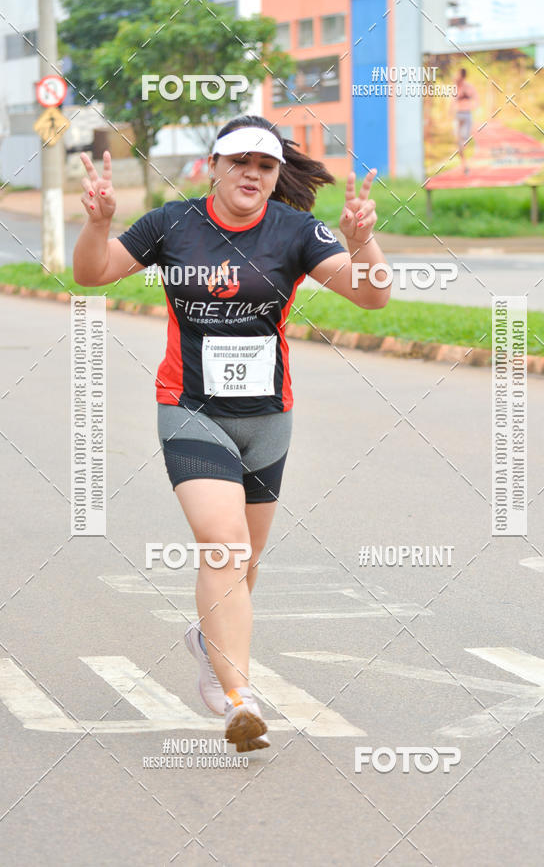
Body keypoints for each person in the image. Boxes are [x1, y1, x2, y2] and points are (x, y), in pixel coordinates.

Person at [73, 115, 390, 752]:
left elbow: (371, 298)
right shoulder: (171, 224)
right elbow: (93, 274)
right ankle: (238, 697)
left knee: (245, 564)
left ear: (276, 177)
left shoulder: (297, 230)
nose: (252, 173)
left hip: (269, 419)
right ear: (212, 165)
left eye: (265, 166)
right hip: (190, 407)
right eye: (240, 161)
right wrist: (100, 225)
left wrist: (363, 245)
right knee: (223, 546)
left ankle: (205, 643)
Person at [452, 67, 479, 174]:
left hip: (466, 114)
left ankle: (465, 165)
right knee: (459, 143)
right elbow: (451, 101)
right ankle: (465, 165)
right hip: (457, 115)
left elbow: (476, 99)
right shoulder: (455, 87)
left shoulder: (469, 87)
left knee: (464, 142)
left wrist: (472, 107)